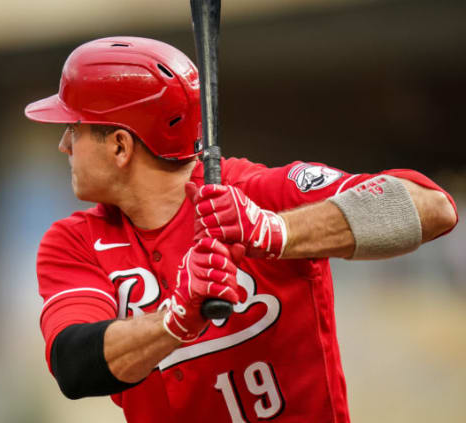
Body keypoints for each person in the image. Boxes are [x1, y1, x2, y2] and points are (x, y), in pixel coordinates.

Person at [24, 36, 458, 423]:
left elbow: (433, 208)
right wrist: (176, 319)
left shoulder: (256, 193)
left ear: (120, 145)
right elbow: (73, 365)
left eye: (73, 128)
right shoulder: (74, 241)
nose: (64, 144)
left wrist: (272, 231)